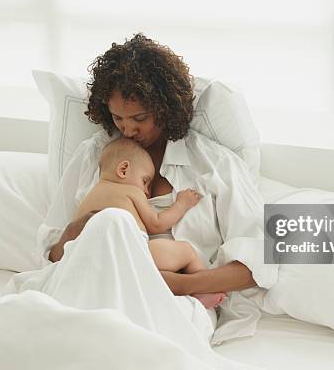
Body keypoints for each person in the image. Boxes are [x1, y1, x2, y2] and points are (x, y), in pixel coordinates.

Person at [29, 33, 276, 346]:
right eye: (117, 118)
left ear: (164, 108)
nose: (128, 130)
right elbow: (52, 255)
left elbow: (256, 265)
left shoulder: (213, 165)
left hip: (177, 303)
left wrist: (175, 284)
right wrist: (78, 230)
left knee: (131, 342)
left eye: (139, 118)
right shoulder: (94, 157)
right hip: (95, 285)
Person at [76, 137, 226, 308]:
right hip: (129, 251)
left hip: (93, 260)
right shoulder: (131, 190)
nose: (147, 192)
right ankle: (201, 291)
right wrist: (181, 205)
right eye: (145, 181)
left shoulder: (87, 198)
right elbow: (156, 223)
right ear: (123, 169)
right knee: (186, 251)